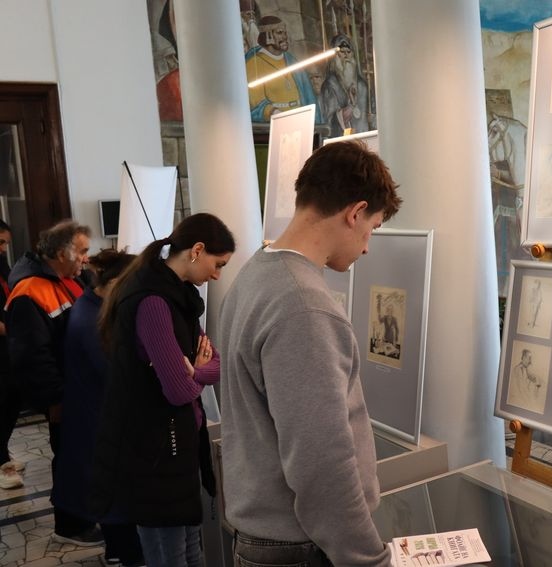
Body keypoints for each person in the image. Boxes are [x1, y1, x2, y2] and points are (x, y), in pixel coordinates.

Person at [220, 140, 401, 566]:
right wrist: (368, 560)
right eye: (372, 228)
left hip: (270, 536)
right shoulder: (303, 306)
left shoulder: (256, 273)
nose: (366, 246)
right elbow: (321, 463)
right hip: (299, 546)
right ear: (355, 213)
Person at [90, 213, 235, 567]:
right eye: (218, 264)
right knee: (170, 556)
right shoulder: (152, 301)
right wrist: (195, 375)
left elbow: (220, 364)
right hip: (155, 453)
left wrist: (196, 370)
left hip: (177, 446)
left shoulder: (178, 296)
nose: (217, 275)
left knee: (191, 552)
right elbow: (178, 391)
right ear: (197, 250)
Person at [5, 220, 98, 544]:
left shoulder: (73, 278)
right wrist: (55, 399)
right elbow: (31, 356)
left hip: (83, 390)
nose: (87, 258)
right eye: (82, 251)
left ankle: (87, 515)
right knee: (71, 460)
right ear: (61, 253)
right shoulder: (29, 292)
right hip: (65, 395)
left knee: (86, 458)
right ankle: (71, 526)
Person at [54, 249, 144, 566]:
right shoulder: (92, 320)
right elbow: (115, 373)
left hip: (98, 417)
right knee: (116, 495)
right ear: (116, 283)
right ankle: (125, 555)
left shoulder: (94, 306)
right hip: (99, 420)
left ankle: (119, 552)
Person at [245, 16, 317, 122]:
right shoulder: (253, 64)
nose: (284, 37)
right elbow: (255, 102)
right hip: (275, 124)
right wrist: (273, 112)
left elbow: (307, 95)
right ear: (267, 35)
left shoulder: (291, 61)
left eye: (285, 33)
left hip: (301, 121)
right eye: (279, 33)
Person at [0, 219, 25, 490]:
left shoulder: (3, 266)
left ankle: (3, 452)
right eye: (0, 243)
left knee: (12, 400)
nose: (4, 248)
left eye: (5, 243)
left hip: (9, 347)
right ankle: (2, 464)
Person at [321, 34, 372, 137]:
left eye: (348, 52)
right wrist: (346, 111)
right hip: (344, 141)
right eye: (342, 52)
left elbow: (371, 112)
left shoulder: (362, 85)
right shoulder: (330, 85)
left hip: (365, 138)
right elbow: (329, 121)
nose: (346, 56)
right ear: (335, 56)